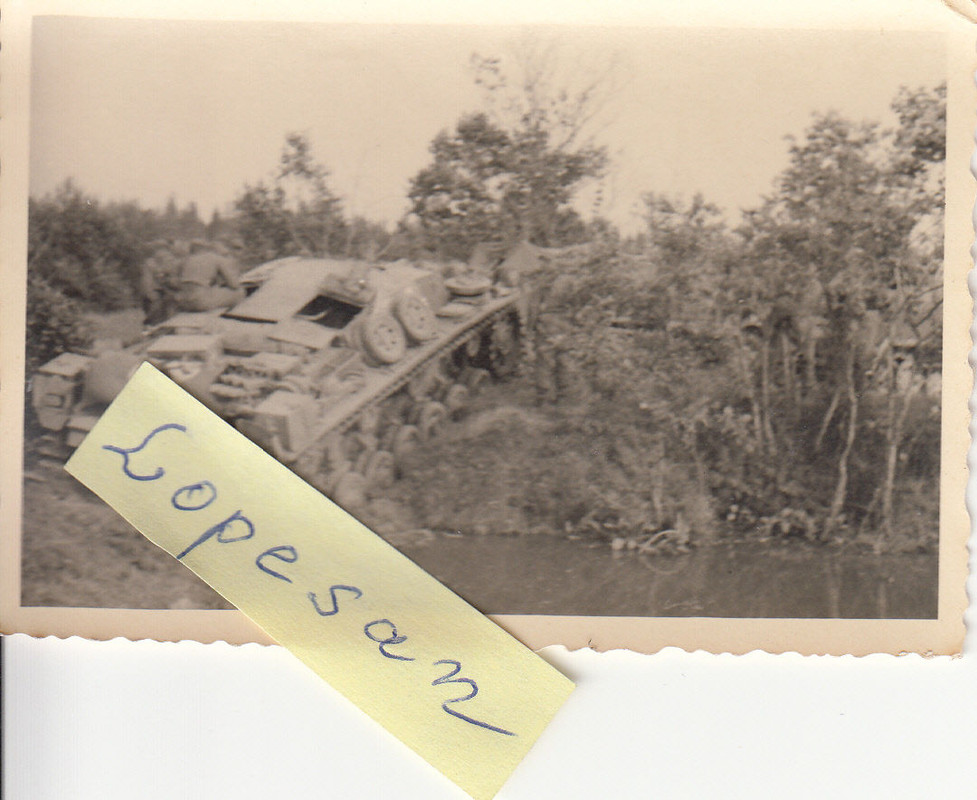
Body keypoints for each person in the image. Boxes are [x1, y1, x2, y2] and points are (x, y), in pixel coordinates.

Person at [176, 240, 245, 312]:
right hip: (200, 302)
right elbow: (234, 285)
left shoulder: (187, 260)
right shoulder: (216, 258)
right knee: (239, 292)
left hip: (183, 302)